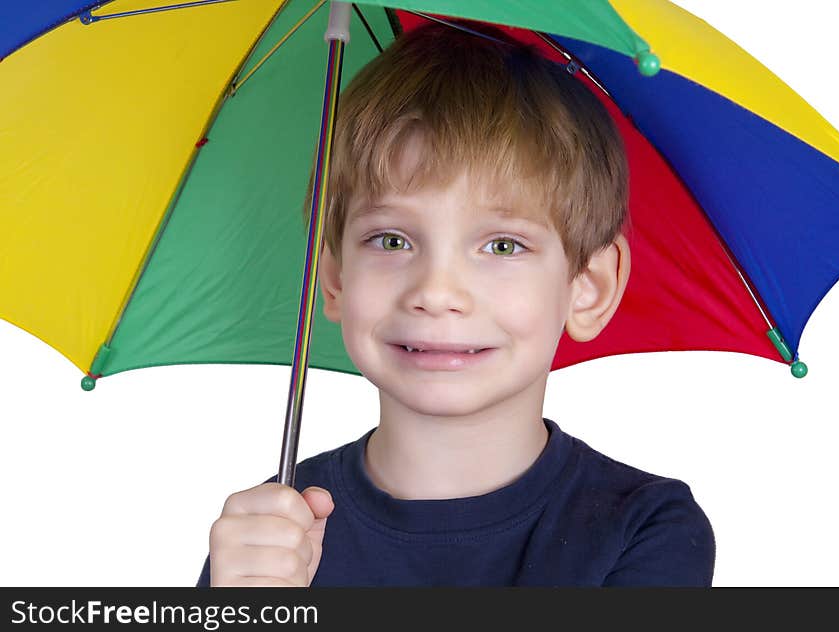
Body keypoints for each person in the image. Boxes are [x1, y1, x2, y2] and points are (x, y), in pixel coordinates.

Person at [197, 19, 714, 587]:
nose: (436, 292)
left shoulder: (644, 530)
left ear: (588, 287)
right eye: (391, 240)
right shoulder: (269, 539)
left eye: (502, 245)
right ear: (335, 277)